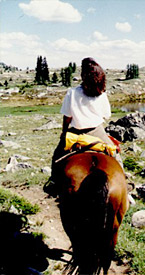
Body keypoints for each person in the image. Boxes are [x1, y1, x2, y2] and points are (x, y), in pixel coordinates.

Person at [45, 57, 122, 196]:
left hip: (76, 133)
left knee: (57, 157)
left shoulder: (72, 93)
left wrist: (64, 132)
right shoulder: (102, 94)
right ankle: (124, 182)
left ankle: (54, 183)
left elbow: (67, 116)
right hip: (97, 132)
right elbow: (106, 115)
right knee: (115, 153)